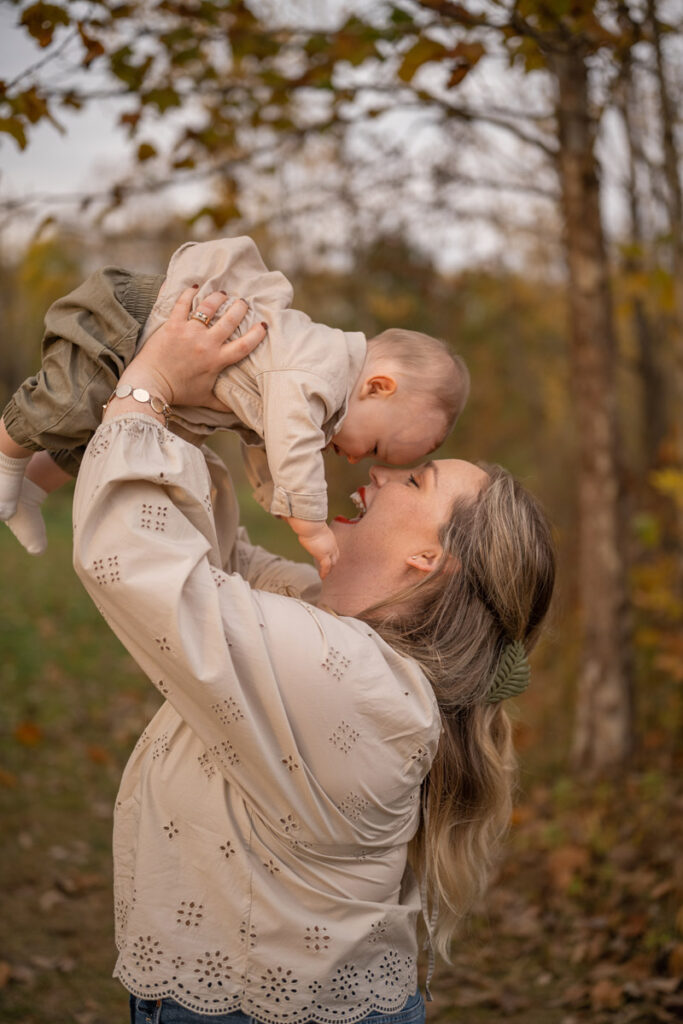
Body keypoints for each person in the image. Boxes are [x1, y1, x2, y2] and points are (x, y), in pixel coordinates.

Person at [71, 289, 556, 1024]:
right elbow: (219, 557)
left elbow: (133, 560)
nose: (388, 473)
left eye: (416, 481)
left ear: (429, 558)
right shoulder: (338, 627)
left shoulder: (364, 684)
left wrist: (149, 386)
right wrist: (209, 405)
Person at [0, 236, 469, 576]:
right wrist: (312, 525)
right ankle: (4, 456)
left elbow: (268, 448)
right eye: (376, 448)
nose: (357, 458)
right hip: (134, 319)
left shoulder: (317, 397)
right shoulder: (320, 370)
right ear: (378, 387)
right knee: (67, 405)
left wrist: (278, 501)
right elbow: (290, 440)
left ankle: (32, 492)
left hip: (163, 364)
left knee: (88, 439)